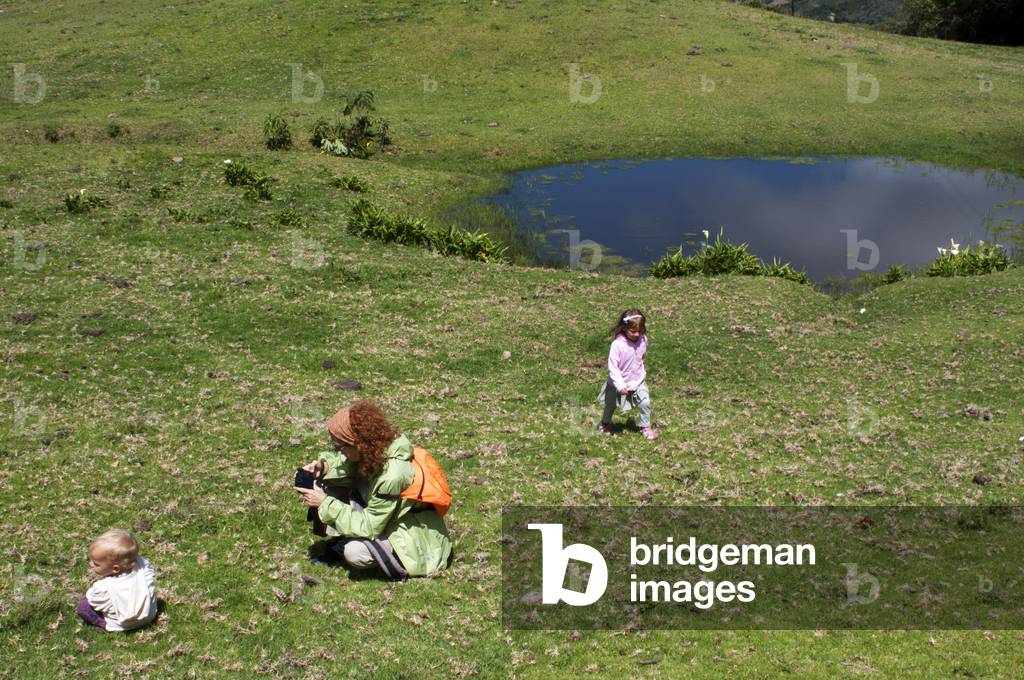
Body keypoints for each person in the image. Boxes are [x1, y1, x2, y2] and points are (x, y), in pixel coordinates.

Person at [294, 400, 452, 578]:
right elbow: (345, 464)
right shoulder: (377, 450)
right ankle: (352, 539)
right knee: (328, 481)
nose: (338, 451)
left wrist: (325, 503)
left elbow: (370, 526)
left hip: (416, 545)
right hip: (389, 520)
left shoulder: (392, 475)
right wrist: (323, 468)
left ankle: (390, 559)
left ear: (357, 443)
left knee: (354, 553)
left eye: (339, 447)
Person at [77, 529, 158, 632]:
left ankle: (103, 624)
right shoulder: (142, 566)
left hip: (125, 624)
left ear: (115, 569)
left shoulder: (104, 587)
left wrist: (89, 594)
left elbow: (93, 600)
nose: (90, 564)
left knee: (83, 606)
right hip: (149, 616)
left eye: (96, 564)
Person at [597, 308, 658, 440]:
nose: (637, 334)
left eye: (640, 331)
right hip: (617, 383)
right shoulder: (617, 345)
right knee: (610, 405)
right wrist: (619, 385)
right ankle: (604, 424)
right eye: (633, 331)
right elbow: (613, 367)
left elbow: (641, 357)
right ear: (624, 328)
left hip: (637, 380)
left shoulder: (643, 340)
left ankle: (645, 427)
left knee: (645, 402)